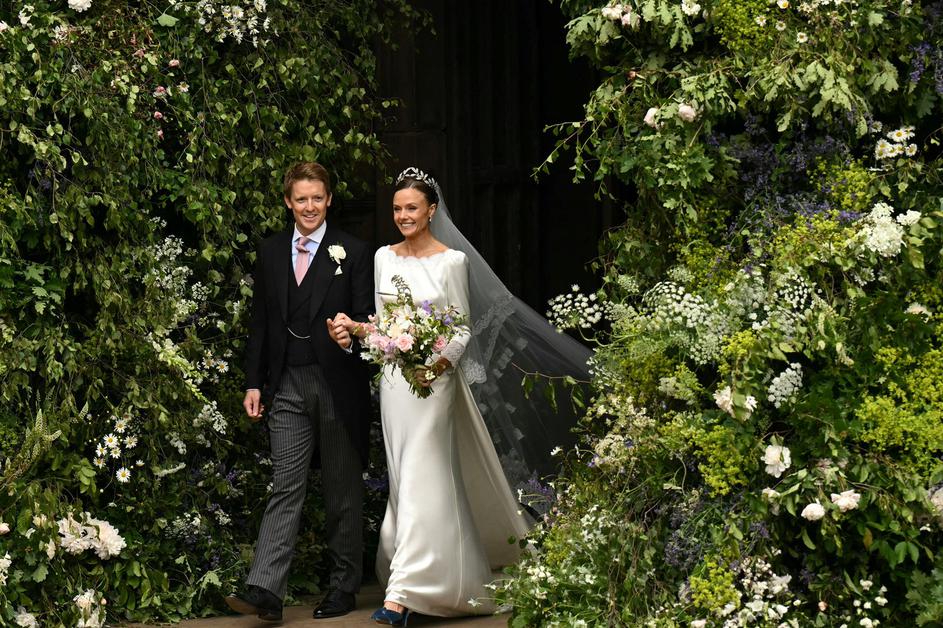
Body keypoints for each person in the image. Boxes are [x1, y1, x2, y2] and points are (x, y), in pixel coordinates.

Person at [331, 167, 591, 625]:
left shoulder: (452, 261)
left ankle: (401, 594)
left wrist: (436, 366)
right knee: (404, 478)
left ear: (431, 210)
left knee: (422, 474)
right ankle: (434, 578)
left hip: (436, 383)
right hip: (395, 382)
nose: (403, 216)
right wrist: (357, 330)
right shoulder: (383, 258)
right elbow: (382, 322)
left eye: (412, 208)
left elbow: (462, 328)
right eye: (397, 208)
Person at [225, 162, 374, 622]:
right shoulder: (270, 251)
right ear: (288, 202)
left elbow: (368, 320)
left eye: (317, 198)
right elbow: (260, 322)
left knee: (341, 488)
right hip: (287, 383)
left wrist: (349, 336)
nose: (310, 207)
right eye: (301, 199)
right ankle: (266, 591)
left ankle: (344, 587)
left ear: (329, 200)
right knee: (286, 483)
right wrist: (254, 382)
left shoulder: (354, 251)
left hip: (337, 383)